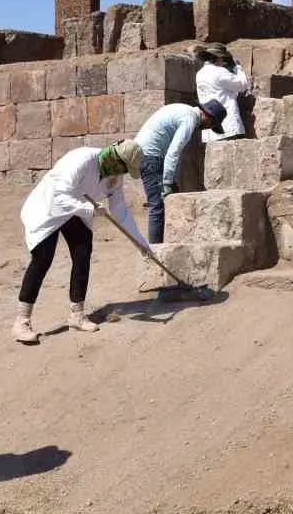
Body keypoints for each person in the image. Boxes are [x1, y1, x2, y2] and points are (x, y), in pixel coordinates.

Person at [13, 139, 149, 344]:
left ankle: (76, 315)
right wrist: (89, 209)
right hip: (48, 209)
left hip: (75, 213)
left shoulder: (115, 175)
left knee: (83, 252)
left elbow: (120, 209)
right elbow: (59, 195)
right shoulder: (81, 159)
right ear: (116, 158)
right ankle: (22, 321)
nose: (122, 173)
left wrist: (139, 242)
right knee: (43, 259)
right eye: (123, 168)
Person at [134, 99, 227, 247]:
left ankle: (161, 246)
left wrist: (171, 182)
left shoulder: (183, 110)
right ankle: (155, 252)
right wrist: (167, 182)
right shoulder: (190, 119)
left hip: (145, 154)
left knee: (163, 201)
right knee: (156, 207)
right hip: (150, 156)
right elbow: (174, 151)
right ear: (207, 117)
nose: (207, 128)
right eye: (211, 125)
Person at [195, 43, 250, 142]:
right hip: (227, 126)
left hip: (209, 129)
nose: (224, 62)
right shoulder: (220, 72)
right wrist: (238, 68)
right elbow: (243, 85)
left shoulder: (199, 74)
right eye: (223, 59)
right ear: (218, 58)